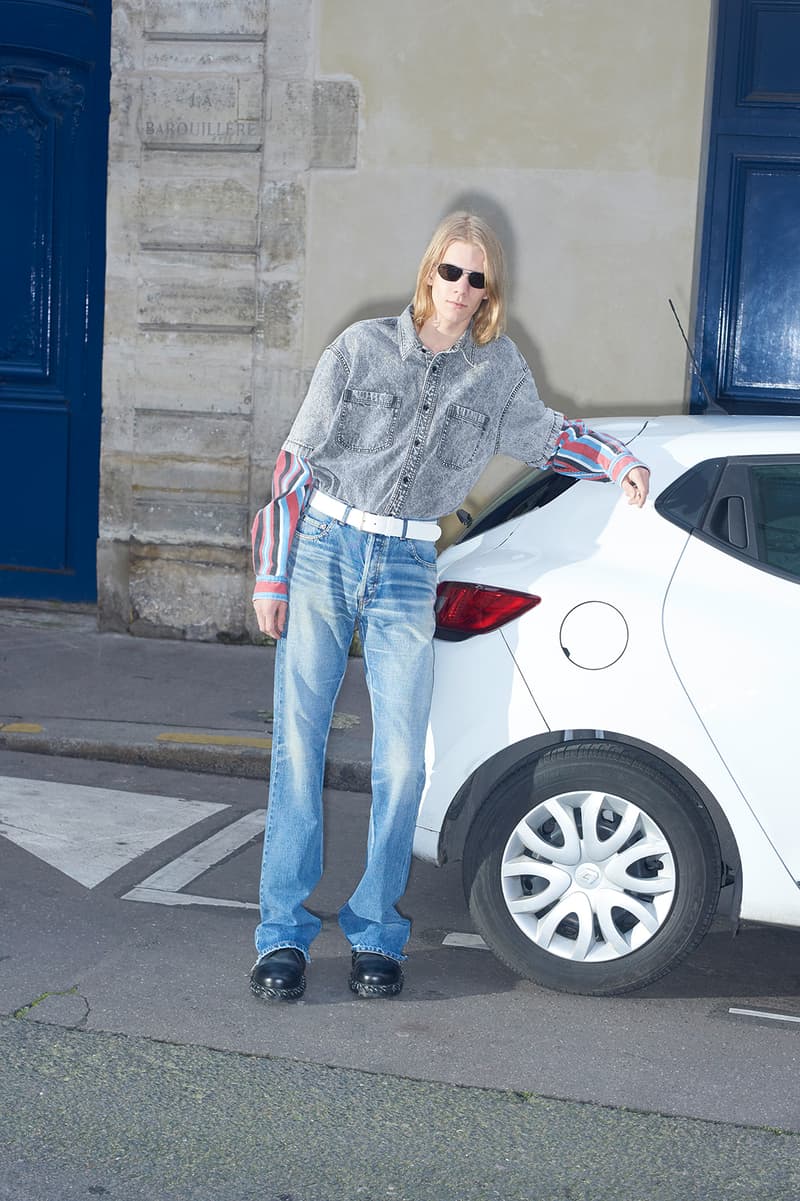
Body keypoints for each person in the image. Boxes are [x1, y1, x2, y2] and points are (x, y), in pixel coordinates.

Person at [249, 211, 650, 1002]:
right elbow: (297, 461)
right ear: (428, 271)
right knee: (298, 746)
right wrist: (272, 574)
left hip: (404, 562)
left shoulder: (495, 370)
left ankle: (374, 932)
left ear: (489, 289)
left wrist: (617, 460)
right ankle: (282, 935)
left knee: (403, 762)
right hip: (326, 549)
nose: (462, 290)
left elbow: (543, 437)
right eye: (450, 272)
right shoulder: (360, 348)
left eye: (478, 279)